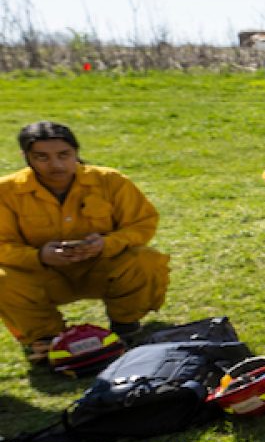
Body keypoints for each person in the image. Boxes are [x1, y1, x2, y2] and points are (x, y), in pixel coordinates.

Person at [0, 121, 169, 363]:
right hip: (43, 277)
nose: (55, 165)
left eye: (64, 155)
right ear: (25, 156)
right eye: (42, 157)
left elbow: (142, 224)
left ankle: (126, 325)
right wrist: (39, 255)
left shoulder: (110, 181)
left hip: (100, 269)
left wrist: (106, 244)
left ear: (76, 152)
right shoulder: (5, 191)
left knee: (146, 259)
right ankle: (47, 338)